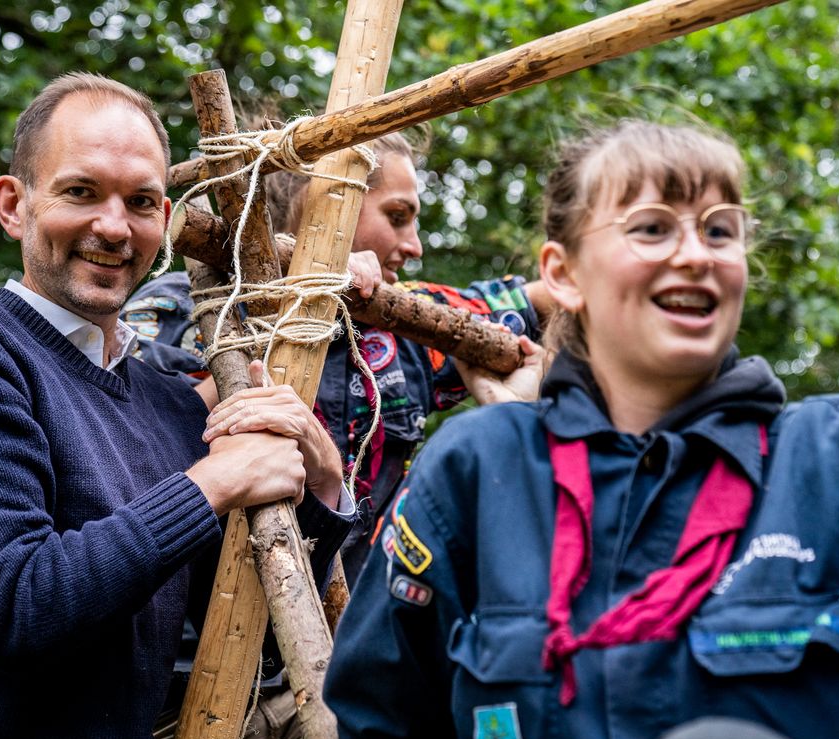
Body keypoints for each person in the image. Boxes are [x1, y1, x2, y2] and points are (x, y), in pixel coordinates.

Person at [324, 119, 839, 739]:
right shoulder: (476, 471)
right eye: (652, 228)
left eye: (720, 231)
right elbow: (381, 726)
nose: (696, 254)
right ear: (563, 274)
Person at [0, 72, 353, 739]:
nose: (113, 226)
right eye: (81, 191)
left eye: (140, 202)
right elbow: (17, 610)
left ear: (164, 221)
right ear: (14, 204)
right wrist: (214, 482)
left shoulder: (169, 406)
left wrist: (318, 483)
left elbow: (239, 624)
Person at [126, 129, 549, 585]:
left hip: (351, 639)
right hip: (189, 640)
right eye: (397, 216)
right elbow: (139, 441)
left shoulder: (406, 321)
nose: (415, 246)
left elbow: (551, 296)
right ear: (327, 203)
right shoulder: (185, 306)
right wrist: (309, 302)